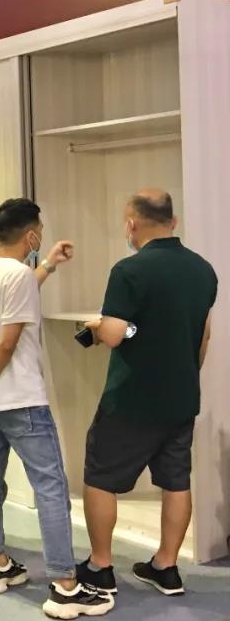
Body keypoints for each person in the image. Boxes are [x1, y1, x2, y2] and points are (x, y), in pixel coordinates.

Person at [0, 198, 113, 619]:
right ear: (30, 235)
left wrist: (47, 265)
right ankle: (65, 586)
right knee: (51, 489)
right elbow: (8, 342)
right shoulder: (18, 277)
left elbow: (18, 294)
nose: (41, 236)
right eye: (39, 232)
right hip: (21, 399)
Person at [77, 190, 216, 598]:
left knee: (101, 477)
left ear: (132, 224)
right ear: (173, 222)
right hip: (182, 396)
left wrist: (95, 327)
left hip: (131, 399)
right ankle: (166, 566)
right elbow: (204, 336)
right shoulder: (203, 270)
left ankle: (100, 566)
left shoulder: (129, 270)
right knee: (176, 480)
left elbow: (114, 334)